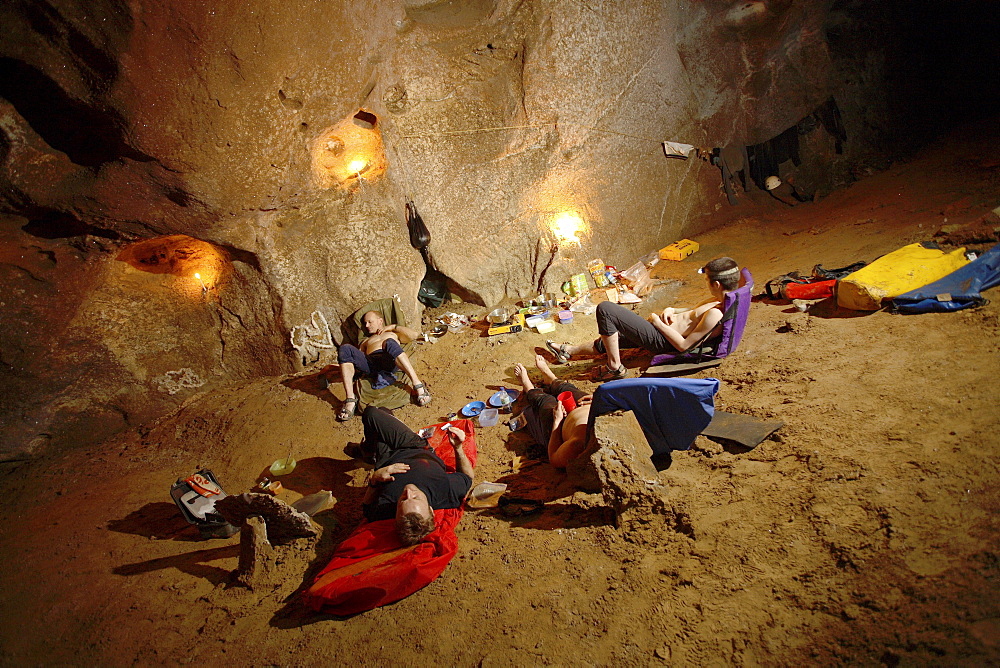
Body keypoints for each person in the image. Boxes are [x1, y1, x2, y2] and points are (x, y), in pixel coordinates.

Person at [546, 257, 742, 380]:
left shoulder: (716, 314)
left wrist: (657, 322)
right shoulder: (718, 302)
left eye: (707, 280)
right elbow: (690, 312)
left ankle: (614, 366)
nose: (706, 283)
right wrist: (671, 309)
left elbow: (684, 346)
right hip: (662, 330)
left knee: (606, 309)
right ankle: (569, 351)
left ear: (716, 283)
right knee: (613, 338)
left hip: (662, 340)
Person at [353, 406, 474, 546]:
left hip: (385, 458)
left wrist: (375, 479)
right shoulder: (445, 490)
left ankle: (368, 451)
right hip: (413, 446)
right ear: (430, 510)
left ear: (396, 515)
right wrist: (458, 447)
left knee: (378, 417)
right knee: (373, 413)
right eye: (416, 497)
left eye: (403, 499)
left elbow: (367, 510)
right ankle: (368, 449)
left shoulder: (386, 509)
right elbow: (467, 477)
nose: (408, 491)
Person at [334, 310, 431, 420]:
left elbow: (413, 335)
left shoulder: (393, 334)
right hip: (371, 364)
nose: (366, 326)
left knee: (389, 342)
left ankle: (417, 384)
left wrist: (393, 327)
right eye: (365, 323)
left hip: (389, 360)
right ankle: (350, 399)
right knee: (345, 348)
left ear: (380, 321)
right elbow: (356, 360)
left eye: (370, 322)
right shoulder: (366, 341)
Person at [513, 355, 593, 468]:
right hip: (589, 406)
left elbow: (554, 458)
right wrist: (597, 400)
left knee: (546, 402)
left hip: (561, 425)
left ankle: (529, 388)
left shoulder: (577, 445)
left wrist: (557, 422)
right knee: (571, 391)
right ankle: (551, 379)